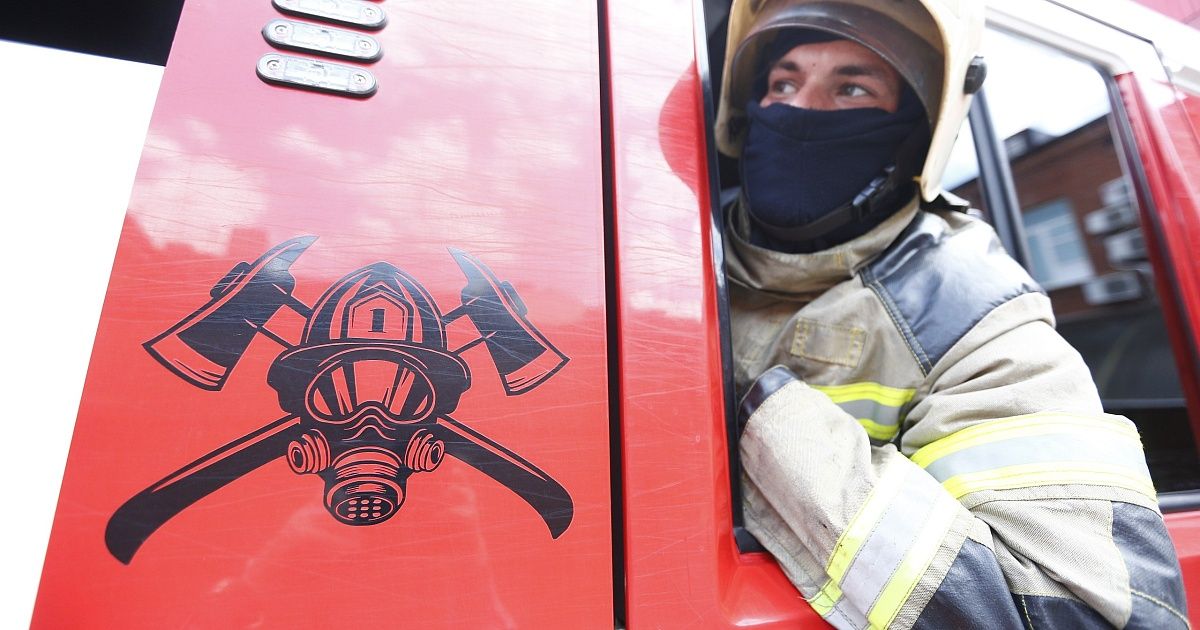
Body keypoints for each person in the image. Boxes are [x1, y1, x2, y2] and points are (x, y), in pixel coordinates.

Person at [713, 1, 1189, 628]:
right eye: (783, 83)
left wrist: (756, 421)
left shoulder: (971, 315)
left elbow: (1079, 616)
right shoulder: (655, 246)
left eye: (852, 88)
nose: (801, 109)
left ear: (915, 133)